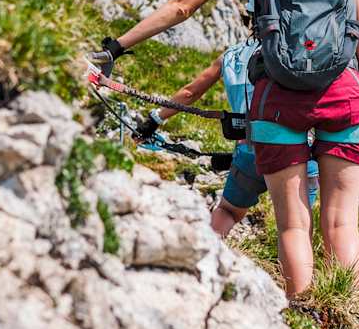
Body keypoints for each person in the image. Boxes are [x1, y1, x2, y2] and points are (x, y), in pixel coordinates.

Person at [89, 0, 359, 296]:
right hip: (344, 94)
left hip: (278, 98)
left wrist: (115, 48)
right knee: (341, 222)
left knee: (292, 226)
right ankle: (352, 326)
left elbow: (183, 7)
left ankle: (308, 318)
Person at [132, 29, 319, 238]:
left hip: (249, 150)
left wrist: (155, 120)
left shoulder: (231, 56)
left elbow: (189, 93)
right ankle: (297, 269)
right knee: (296, 226)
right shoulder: (292, 49)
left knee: (228, 211)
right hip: (296, 151)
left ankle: (208, 253)